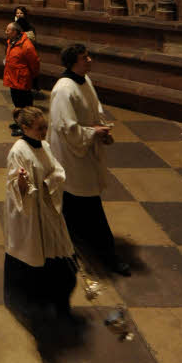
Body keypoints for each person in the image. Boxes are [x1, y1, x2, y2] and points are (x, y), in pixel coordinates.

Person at [49, 44, 130, 276]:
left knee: (73, 205)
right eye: (85, 58)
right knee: (90, 207)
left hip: (84, 152)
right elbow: (67, 128)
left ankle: (74, 246)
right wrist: (93, 132)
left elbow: (95, 110)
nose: (90, 60)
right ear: (74, 62)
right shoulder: (64, 89)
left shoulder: (84, 80)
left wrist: (101, 129)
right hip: (72, 156)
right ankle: (108, 256)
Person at [4, 106, 77, 329]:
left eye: (45, 127)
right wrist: (23, 183)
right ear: (24, 128)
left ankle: (57, 303)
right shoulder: (18, 151)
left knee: (58, 256)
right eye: (39, 128)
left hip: (48, 210)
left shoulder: (44, 146)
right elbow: (14, 186)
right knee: (31, 255)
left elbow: (57, 170)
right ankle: (29, 306)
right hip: (29, 215)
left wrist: (49, 183)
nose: (44, 132)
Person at [3, 22, 40, 136]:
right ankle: (19, 122)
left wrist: (32, 76)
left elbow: (35, 62)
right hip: (13, 78)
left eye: (8, 30)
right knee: (16, 102)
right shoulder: (12, 42)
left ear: (15, 32)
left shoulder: (26, 45)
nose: (6, 32)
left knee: (25, 105)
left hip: (22, 79)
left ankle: (26, 127)